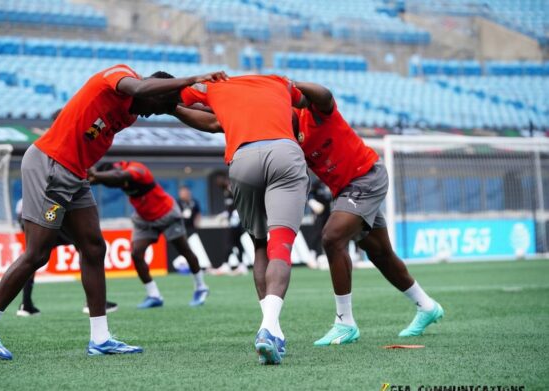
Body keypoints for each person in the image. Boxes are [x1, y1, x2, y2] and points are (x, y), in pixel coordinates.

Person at [0, 63, 228, 360]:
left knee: (93, 248)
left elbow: (206, 121)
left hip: (74, 174)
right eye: (158, 108)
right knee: (38, 253)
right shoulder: (118, 76)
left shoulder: (140, 106)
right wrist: (193, 77)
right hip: (50, 165)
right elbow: (141, 88)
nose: (152, 115)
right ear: (153, 90)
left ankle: (100, 338)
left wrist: (229, 118)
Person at [172, 74, 309, 365]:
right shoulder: (279, 82)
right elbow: (305, 103)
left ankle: (273, 330)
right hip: (284, 151)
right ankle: (269, 327)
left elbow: (179, 100)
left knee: (259, 245)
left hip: (243, 156)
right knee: (280, 246)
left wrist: (171, 108)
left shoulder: (215, 85)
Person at [292, 81, 443, 345]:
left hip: (365, 178)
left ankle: (344, 322)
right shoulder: (286, 132)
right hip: (348, 189)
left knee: (332, 237)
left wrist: (289, 83)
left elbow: (326, 94)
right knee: (380, 254)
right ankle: (427, 306)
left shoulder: (315, 111)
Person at [88, 161, 209, 308]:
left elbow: (120, 175)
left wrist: (96, 175)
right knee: (136, 254)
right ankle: (154, 295)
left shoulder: (137, 169)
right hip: (143, 218)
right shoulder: (114, 176)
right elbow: (101, 179)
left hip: (166, 214)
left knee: (184, 250)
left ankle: (201, 287)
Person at [14, 198, 118, 317]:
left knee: (33, 256)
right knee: (85, 247)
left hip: (33, 215)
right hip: (53, 211)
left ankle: (25, 304)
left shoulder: (28, 190)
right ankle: (92, 303)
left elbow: (21, 215)